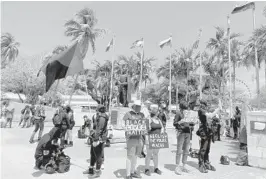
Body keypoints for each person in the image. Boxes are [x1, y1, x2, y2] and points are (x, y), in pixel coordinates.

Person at [83, 104, 109, 178]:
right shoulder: (99, 116)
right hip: (95, 137)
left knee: (98, 155)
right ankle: (91, 169)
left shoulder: (102, 118)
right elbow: (95, 127)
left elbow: (99, 130)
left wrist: (96, 139)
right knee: (92, 153)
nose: (96, 111)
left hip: (99, 139)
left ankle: (97, 172)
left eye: (97, 109)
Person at [197, 100, 221, 173]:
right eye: (206, 104)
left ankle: (206, 162)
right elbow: (210, 115)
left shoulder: (205, 110)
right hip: (203, 131)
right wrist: (218, 109)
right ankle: (201, 164)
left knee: (207, 149)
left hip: (208, 131)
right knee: (203, 148)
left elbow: (212, 117)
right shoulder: (201, 110)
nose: (207, 106)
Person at [123, 100, 144, 179]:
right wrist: (127, 129)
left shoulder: (142, 115)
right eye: (137, 106)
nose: (139, 107)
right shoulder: (128, 114)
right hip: (131, 138)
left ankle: (132, 172)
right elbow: (123, 124)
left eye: (140, 106)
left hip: (139, 138)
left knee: (135, 156)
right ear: (133, 106)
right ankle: (128, 175)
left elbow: (144, 124)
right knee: (130, 156)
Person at [144, 106, 164, 176]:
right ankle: (146, 169)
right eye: (157, 111)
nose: (158, 112)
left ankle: (156, 168)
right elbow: (145, 130)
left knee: (155, 154)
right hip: (150, 138)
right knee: (149, 154)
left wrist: (162, 134)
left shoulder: (159, 120)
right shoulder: (148, 119)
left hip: (157, 139)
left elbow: (162, 128)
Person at [173, 101, 191, 175]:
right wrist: (180, 123)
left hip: (188, 132)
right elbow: (174, 123)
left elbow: (190, 122)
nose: (186, 109)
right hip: (181, 133)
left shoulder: (188, 113)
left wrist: (192, 123)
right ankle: (177, 166)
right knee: (179, 150)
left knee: (186, 149)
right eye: (185, 108)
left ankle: (184, 165)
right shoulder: (178, 113)